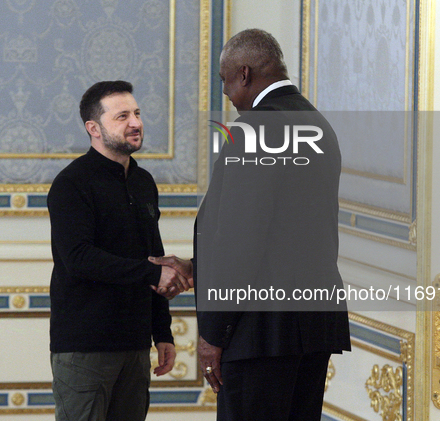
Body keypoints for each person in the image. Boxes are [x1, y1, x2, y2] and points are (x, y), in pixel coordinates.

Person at [150, 29, 351, 420]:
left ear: (244, 73)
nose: (226, 93)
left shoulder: (254, 130)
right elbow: (283, 230)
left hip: (260, 331)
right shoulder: (318, 125)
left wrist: (214, 334)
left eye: (225, 81)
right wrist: (198, 267)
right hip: (312, 325)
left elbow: (242, 241)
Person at [47, 80, 190, 421]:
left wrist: (162, 332)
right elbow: (79, 259)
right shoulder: (71, 183)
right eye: (122, 116)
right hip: (85, 347)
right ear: (93, 128)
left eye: (137, 113)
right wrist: (153, 272)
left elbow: (154, 255)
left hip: (136, 343)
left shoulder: (144, 181)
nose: (136, 123)